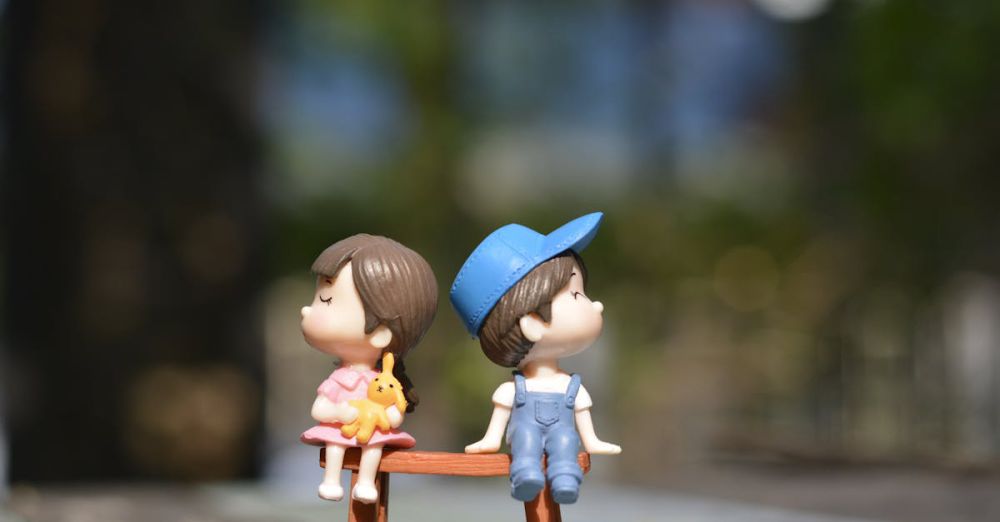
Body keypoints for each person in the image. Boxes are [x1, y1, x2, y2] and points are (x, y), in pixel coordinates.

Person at [451, 212, 621, 505]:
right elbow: (501, 418)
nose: (596, 303)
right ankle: (525, 476)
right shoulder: (513, 389)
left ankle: (566, 478)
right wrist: (491, 441)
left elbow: (582, 419)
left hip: (562, 430)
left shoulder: (571, 385)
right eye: (576, 294)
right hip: (525, 429)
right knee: (525, 442)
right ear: (533, 322)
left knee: (567, 441)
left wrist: (592, 442)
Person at [300, 234, 437, 504]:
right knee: (335, 444)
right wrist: (343, 412)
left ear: (381, 332)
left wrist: (382, 416)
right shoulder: (340, 379)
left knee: (374, 446)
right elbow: (320, 410)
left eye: (326, 300)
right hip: (343, 430)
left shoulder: (385, 382)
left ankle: (365, 482)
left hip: (371, 431)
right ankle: (331, 480)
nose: (306, 310)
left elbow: (395, 415)